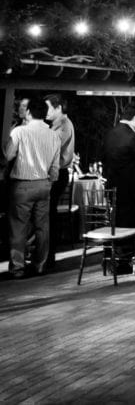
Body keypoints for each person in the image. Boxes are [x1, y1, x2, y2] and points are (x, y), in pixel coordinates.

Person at [4, 98, 61, 277]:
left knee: (18, 227)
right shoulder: (54, 135)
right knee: (42, 227)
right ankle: (40, 265)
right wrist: (49, 182)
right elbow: (55, 167)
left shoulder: (20, 131)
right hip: (44, 184)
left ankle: (18, 268)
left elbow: (8, 155)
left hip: (22, 184)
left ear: (28, 112)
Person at [103, 103, 135, 256]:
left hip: (114, 186)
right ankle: (124, 259)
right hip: (132, 190)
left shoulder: (111, 133)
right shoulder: (133, 137)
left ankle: (114, 256)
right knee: (129, 226)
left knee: (118, 222)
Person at [44, 94, 75, 268]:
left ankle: (48, 258)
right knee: (48, 216)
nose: (45, 111)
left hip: (57, 174)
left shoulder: (63, 125)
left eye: (47, 107)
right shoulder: (58, 124)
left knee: (48, 216)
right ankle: (45, 256)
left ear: (58, 108)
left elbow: (50, 150)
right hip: (57, 173)